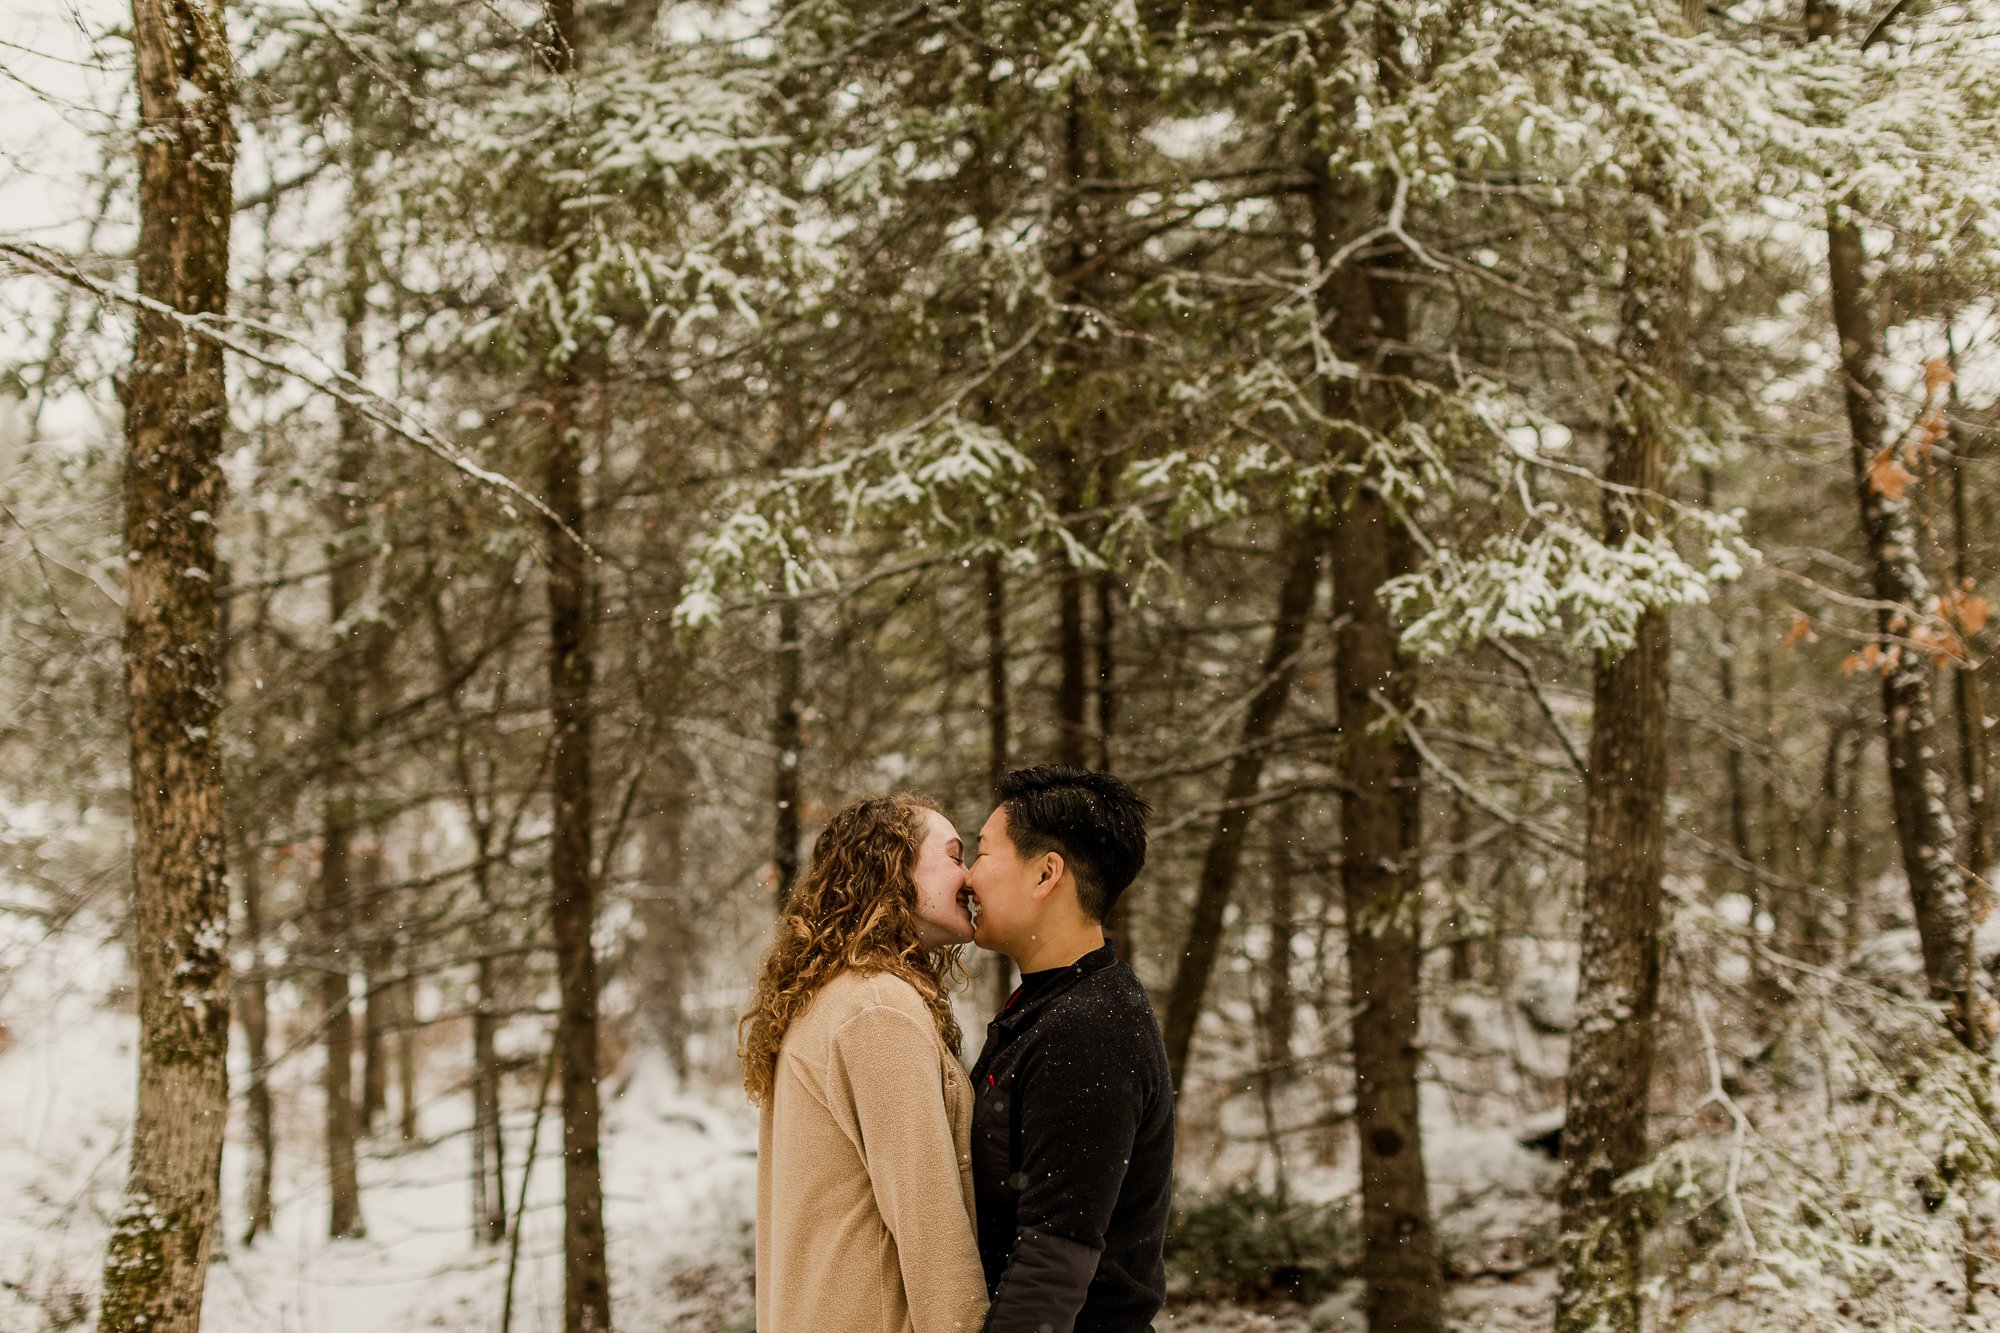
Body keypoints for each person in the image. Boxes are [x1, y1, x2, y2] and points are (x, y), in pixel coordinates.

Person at [742, 793, 989, 1333]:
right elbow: (929, 1223)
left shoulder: (832, 997)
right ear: (892, 866)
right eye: (953, 856)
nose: (969, 878)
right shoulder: (877, 1010)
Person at [961, 765, 1174, 1333]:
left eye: (983, 854)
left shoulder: (1090, 1028)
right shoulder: (1057, 1005)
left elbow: (1054, 1262)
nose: (968, 878)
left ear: (1045, 874)